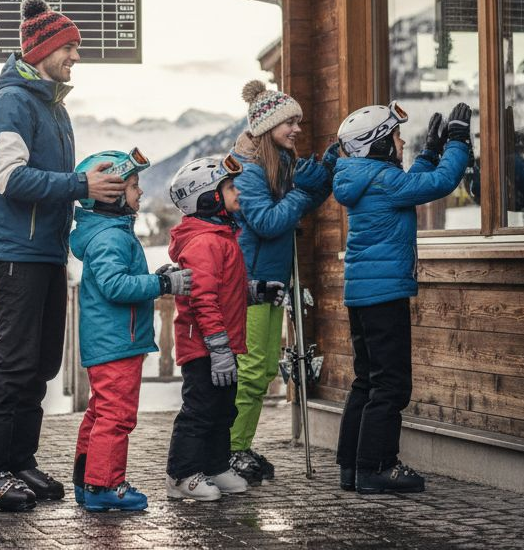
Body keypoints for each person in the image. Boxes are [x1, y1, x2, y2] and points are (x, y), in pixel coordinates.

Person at [0, 0, 127, 512]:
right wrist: (83, 184)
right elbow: (9, 179)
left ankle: (17, 461)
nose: (77, 57)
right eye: (71, 48)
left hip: (45, 252)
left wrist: (91, 192)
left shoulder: (52, 105)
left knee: (39, 364)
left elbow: (50, 183)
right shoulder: (11, 103)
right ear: (43, 49)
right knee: (14, 362)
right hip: (13, 251)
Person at [331, 101, 471, 494]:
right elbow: (439, 184)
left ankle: (353, 467)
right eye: (394, 136)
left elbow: (410, 187)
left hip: (363, 296)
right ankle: (377, 467)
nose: (401, 140)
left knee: (367, 381)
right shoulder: (382, 180)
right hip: (385, 295)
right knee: (391, 385)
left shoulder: (366, 177)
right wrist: (458, 141)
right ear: (377, 145)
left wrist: (428, 152)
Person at [68, 148, 192, 512]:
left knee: (100, 412)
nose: (140, 194)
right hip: (116, 341)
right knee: (116, 415)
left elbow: (119, 279)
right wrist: (163, 286)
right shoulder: (111, 238)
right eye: (134, 186)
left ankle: (86, 482)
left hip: (112, 340)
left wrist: (155, 279)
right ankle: (105, 485)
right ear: (110, 195)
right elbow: (115, 286)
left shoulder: (109, 232)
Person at [227, 80, 337, 485]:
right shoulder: (248, 170)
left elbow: (297, 205)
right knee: (252, 369)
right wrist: (301, 192)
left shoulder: (281, 162)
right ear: (267, 124)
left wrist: (323, 174)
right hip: (250, 282)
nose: (296, 129)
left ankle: (238, 444)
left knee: (262, 368)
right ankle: (231, 449)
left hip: (273, 281)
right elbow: (269, 222)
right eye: (289, 121)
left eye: (298, 122)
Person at [163, 155, 251, 502]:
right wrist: (217, 349)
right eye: (229, 188)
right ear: (208, 198)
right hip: (204, 348)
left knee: (223, 409)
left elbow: (226, 288)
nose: (236, 193)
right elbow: (202, 299)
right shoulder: (204, 242)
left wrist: (256, 292)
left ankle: (214, 466)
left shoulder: (222, 237)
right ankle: (182, 474)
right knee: (199, 411)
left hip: (221, 346)